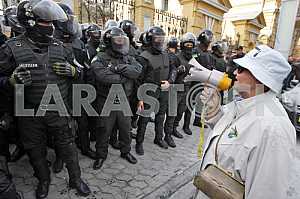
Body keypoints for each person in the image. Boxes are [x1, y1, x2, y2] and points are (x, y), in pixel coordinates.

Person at [0, 0, 91, 198]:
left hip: (58, 110)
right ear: (31, 23)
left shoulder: (62, 47)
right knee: (35, 149)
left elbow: (84, 75)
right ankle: (44, 180)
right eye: (45, 23)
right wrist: (10, 81)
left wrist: (74, 71)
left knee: (68, 147)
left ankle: (76, 179)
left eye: (52, 23)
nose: (51, 27)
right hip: (29, 113)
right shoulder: (11, 48)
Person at [198, 45, 296, 199]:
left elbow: (269, 192)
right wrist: (213, 109)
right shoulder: (245, 102)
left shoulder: (275, 129)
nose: (236, 73)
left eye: (242, 69)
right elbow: (228, 134)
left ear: (260, 77)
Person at [90, 27, 142, 170]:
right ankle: (101, 155)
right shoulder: (100, 57)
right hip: (106, 99)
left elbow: (137, 70)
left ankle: (126, 152)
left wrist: (118, 69)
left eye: (122, 40)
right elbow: (103, 76)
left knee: (126, 129)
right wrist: (125, 77)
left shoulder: (127, 57)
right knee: (104, 130)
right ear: (109, 42)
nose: (121, 43)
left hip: (124, 99)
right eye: (117, 40)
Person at [135, 26, 177, 154]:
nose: (160, 41)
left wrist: (170, 81)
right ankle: (139, 142)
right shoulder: (143, 57)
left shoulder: (166, 54)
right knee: (144, 118)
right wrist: (140, 98)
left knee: (161, 116)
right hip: (149, 90)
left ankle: (158, 138)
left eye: (162, 39)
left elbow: (173, 69)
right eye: (157, 39)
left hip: (163, 90)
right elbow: (138, 79)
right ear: (150, 40)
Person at [171, 32, 197, 139]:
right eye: (187, 45)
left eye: (191, 45)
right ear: (182, 45)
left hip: (188, 87)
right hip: (177, 88)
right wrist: (178, 70)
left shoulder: (193, 59)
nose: (189, 47)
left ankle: (175, 128)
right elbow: (171, 73)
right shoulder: (177, 57)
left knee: (181, 110)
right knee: (173, 111)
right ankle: (169, 131)